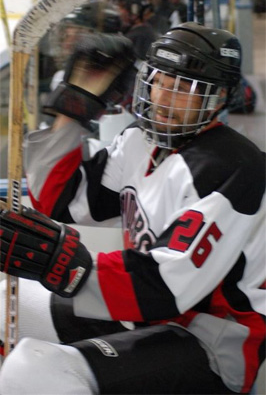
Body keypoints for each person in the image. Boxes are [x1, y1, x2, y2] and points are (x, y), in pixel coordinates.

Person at [0, 22, 265, 395]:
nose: (166, 97)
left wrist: (61, 263)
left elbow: (164, 288)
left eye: (186, 89)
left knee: (34, 372)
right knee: (3, 304)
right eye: (160, 80)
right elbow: (60, 200)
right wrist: (75, 103)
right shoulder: (139, 142)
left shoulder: (234, 167)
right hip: (144, 314)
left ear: (219, 99)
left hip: (212, 342)